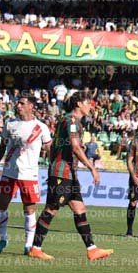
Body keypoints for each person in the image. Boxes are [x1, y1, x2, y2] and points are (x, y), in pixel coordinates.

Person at [28, 91, 114, 261]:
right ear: (79, 104)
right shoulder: (71, 121)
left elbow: (61, 146)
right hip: (62, 173)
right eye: (88, 103)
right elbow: (74, 147)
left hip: (69, 173)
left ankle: (92, 249)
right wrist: (92, 168)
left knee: (79, 209)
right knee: (51, 209)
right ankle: (36, 248)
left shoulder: (70, 121)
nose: (90, 107)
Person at [0, 96, 51, 255]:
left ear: (31, 106)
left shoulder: (41, 127)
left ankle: (28, 245)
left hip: (29, 174)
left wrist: (54, 169)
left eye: (22, 103)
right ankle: (2, 239)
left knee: (29, 209)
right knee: (1, 207)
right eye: (18, 103)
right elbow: (1, 147)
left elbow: (50, 150)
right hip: (9, 172)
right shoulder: (10, 124)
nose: (18, 105)